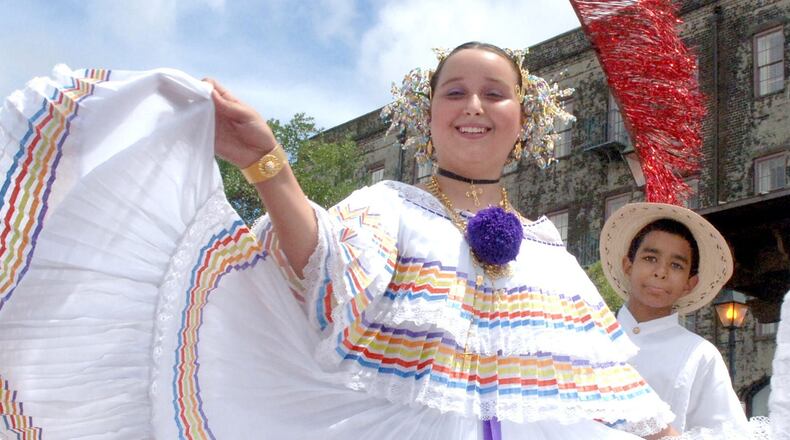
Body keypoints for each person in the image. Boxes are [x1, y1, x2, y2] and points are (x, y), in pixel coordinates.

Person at [0, 44, 675, 439]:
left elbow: (615, 389)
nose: (473, 106)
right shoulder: (392, 208)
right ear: (427, 115)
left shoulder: (549, 250)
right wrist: (268, 164)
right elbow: (323, 268)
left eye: (494, 94)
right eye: (455, 92)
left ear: (523, 122)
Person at [600, 203, 750, 437]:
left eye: (676, 265)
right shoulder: (590, 338)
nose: (661, 272)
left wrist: (661, 432)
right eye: (650, 258)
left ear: (690, 283)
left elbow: (729, 434)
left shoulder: (700, 355)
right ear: (628, 265)